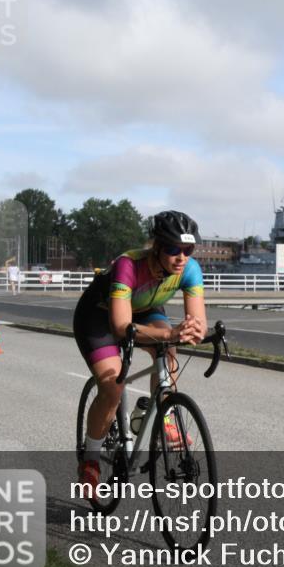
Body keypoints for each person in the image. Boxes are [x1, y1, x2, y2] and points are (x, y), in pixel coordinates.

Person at [74, 211, 207, 494]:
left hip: (145, 309)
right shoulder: (128, 265)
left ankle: (160, 415)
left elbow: (198, 322)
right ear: (156, 247)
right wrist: (171, 332)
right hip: (100, 318)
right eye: (173, 249)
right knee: (112, 388)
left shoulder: (191, 269)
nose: (181, 257)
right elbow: (121, 326)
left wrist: (195, 332)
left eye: (188, 249)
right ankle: (91, 460)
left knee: (168, 352)